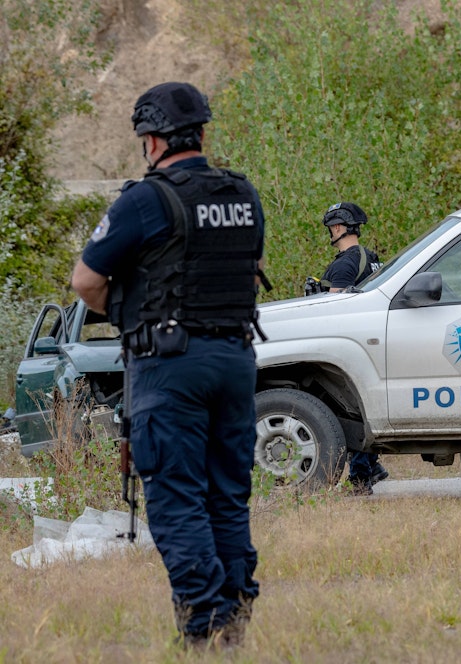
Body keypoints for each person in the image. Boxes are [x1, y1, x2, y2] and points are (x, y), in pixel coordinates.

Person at [70, 82, 264, 649]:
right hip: (235, 359)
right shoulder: (242, 194)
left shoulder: (145, 200)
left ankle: (202, 626)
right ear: (202, 133)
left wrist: (133, 308)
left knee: (177, 498)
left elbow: (86, 281)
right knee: (227, 494)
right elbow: (247, 273)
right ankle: (235, 620)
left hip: (169, 366)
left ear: (151, 140)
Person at [312, 201, 387, 494]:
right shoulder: (371, 257)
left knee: (348, 409)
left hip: (351, 342)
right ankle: (373, 468)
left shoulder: (345, 262)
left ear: (339, 227)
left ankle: (360, 478)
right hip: (371, 338)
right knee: (362, 406)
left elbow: (334, 306)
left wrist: (315, 294)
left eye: (332, 227)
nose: (331, 232)